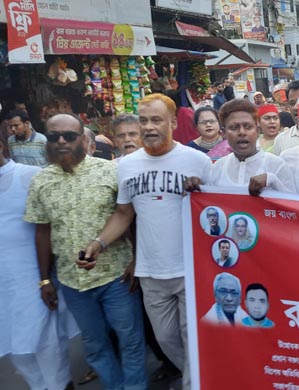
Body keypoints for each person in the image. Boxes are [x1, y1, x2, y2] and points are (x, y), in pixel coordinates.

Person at [85, 93, 213, 390]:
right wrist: (99, 244)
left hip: (191, 271)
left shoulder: (198, 161)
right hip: (150, 272)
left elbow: (219, 213)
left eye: (156, 120)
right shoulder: (127, 165)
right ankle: (204, 378)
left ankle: (196, 383)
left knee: (192, 337)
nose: (149, 127)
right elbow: (123, 212)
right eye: (143, 120)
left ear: (171, 122)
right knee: (166, 339)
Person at [25, 113, 147, 390]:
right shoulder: (40, 181)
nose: (61, 141)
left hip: (117, 275)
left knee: (130, 340)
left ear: (82, 138)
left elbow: (129, 216)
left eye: (69, 136)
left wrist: (137, 260)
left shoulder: (110, 171)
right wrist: (45, 279)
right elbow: (42, 231)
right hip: (72, 282)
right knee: (94, 346)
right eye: (54, 136)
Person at [0, 137, 78, 390]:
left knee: (44, 336)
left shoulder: (29, 175)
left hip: (32, 273)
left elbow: (56, 221)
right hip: (3, 280)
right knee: (12, 344)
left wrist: (47, 276)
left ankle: (60, 385)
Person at [187, 99, 295, 195]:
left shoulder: (277, 166)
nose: (242, 132)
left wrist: (273, 181)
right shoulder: (217, 169)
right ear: (224, 133)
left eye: (248, 127)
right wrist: (195, 189)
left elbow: (295, 209)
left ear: (257, 131)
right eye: (234, 127)